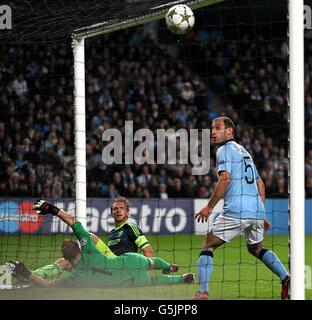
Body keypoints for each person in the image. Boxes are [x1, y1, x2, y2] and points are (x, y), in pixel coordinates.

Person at [192, 117, 290, 300]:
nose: (213, 132)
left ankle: (202, 292)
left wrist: (209, 207)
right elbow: (260, 184)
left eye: (218, 128)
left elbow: (225, 179)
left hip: (236, 210)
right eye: (212, 128)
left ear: (229, 131)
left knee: (208, 245)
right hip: (256, 211)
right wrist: (261, 213)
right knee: (256, 249)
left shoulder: (224, 150)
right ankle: (286, 278)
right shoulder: (245, 152)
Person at [9, 200, 194, 288]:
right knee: (65, 261)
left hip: (124, 262)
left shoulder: (131, 227)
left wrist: (53, 210)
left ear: (128, 212)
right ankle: (31, 276)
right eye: (115, 209)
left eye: (121, 208)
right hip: (117, 265)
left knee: (90, 237)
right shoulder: (113, 232)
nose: (117, 211)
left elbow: (148, 249)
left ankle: (29, 276)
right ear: (112, 213)